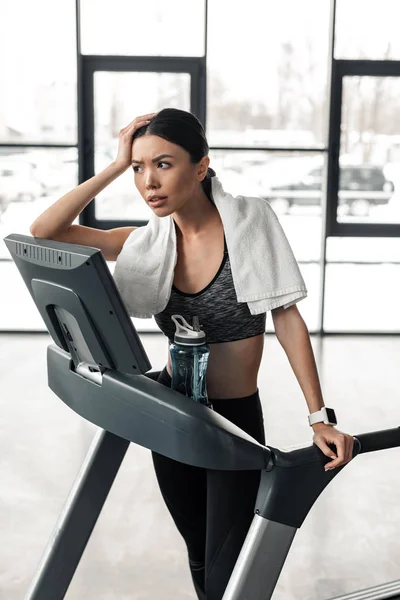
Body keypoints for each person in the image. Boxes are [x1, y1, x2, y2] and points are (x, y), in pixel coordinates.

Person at [30, 107, 354, 600]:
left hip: (234, 423)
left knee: (228, 571)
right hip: (174, 416)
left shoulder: (250, 223)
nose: (148, 182)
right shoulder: (145, 245)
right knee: (200, 558)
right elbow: (45, 231)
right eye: (139, 169)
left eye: (163, 164)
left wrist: (319, 417)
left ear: (201, 166)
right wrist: (115, 165)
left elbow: (287, 318)